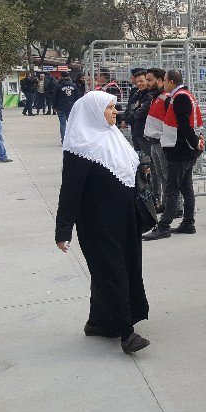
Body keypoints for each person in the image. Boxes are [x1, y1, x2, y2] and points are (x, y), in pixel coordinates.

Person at [55, 91, 151, 354]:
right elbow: (70, 191)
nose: (115, 112)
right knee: (111, 272)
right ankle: (126, 333)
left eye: (113, 107)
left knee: (125, 268)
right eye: (109, 108)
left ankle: (99, 322)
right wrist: (63, 230)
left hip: (126, 219)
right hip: (98, 223)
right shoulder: (80, 146)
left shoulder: (114, 137)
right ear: (94, 112)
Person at [142, 69, 204, 240]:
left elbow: (184, 126)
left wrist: (194, 144)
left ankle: (164, 226)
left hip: (180, 151)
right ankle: (188, 222)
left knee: (172, 189)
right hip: (184, 150)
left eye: (166, 80)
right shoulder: (184, 95)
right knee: (185, 187)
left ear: (171, 81)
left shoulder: (180, 97)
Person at [141, 68, 169, 210]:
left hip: (163, 142)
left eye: (149, 79)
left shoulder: (166, 97)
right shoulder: (154, 97)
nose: (147, 83)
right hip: (154, 142)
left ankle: (175, 206)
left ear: (159, 81)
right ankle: (166, 204)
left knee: (167, 176)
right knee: (160, 175)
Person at [53, 75, 81, 142]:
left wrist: (54, 106)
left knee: (63, 124)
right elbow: (77, 96)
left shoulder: (58, 85)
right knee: (71, 123)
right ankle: (72, 139)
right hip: (71, 107)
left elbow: (54, 97)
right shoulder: (74, 85)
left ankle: (64, 140)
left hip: (61, 107)